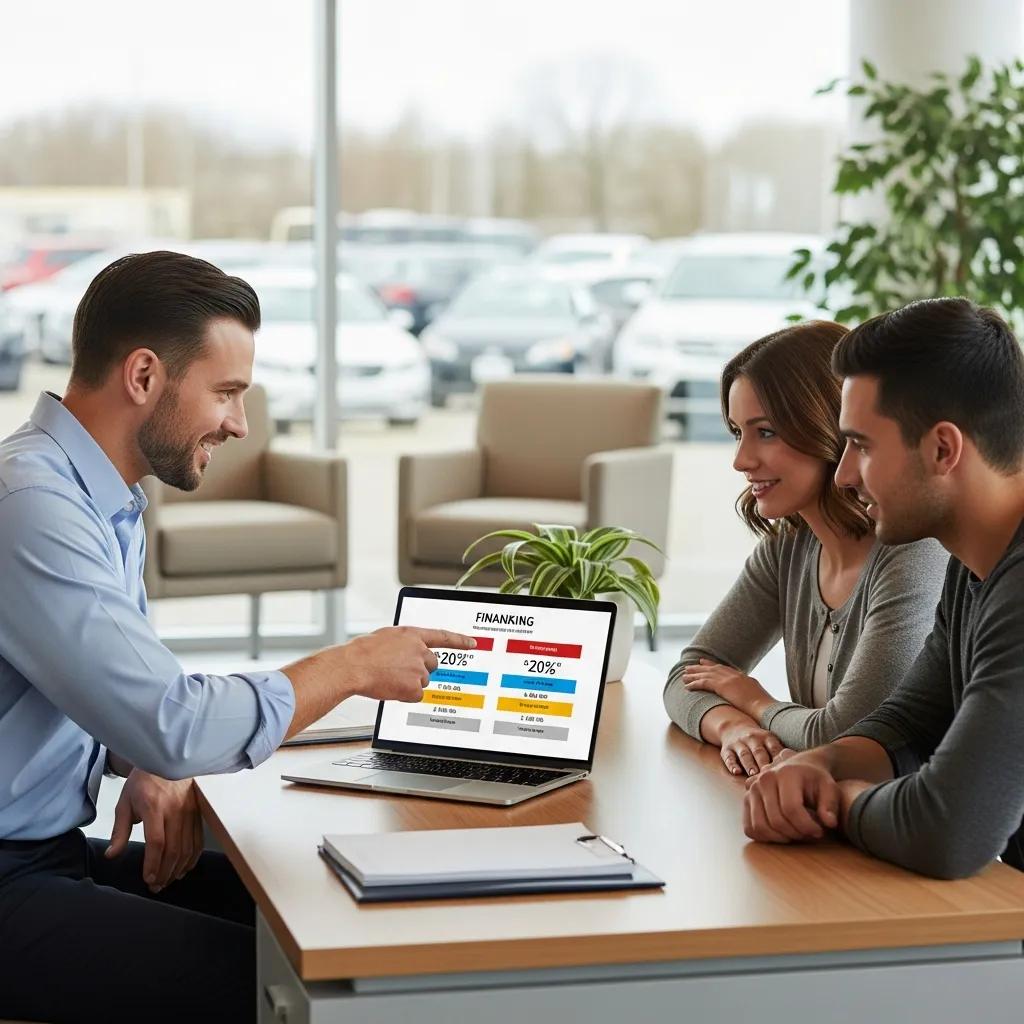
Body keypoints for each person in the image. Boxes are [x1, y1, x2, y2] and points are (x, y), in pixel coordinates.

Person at [0, 251, 475, 1023]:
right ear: (145, 376)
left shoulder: (100, 498)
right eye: (226, 393)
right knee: (285, 984)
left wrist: (150, 758)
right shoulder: (32, 505)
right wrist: (353, 664)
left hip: (45, 855)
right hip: (12, 880)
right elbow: (174, 720)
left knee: (311, 914)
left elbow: (114, 699)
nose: (239, 423)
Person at [742, 297, 1024, 880]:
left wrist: (832, 802)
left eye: (862, 445)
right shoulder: (974, 567)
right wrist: (813, 764)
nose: (843, 473)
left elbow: (950, 827)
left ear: (943, 448)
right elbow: (909, 722)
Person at [663, 320, 948, 777]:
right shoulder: (789, 548)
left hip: (906, 831)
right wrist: (733, 726)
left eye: (766, 432)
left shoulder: (913, 553)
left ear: (830, 426)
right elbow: (688, 674)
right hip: (831, 812)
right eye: (738, 432)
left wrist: (753, 699)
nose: (741, 460)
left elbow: (846, 735)